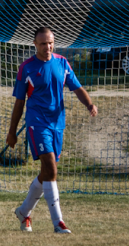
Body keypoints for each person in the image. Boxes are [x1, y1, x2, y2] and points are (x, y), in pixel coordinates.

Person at [6, 27, 98, 234]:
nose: (47, 47)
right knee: (51, 168)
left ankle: (23, 212)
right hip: (37, 122)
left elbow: (77, 87)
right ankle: (58, 222)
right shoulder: (26, 68)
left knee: (47, 172)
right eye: (43, 43)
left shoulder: (62, 63)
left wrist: (89, 104)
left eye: (50, 43)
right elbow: (19, 102)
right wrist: (12, 132)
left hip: (58, 123)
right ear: (35, 45)